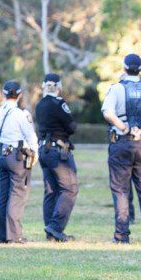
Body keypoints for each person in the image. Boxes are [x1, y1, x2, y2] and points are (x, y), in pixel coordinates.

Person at [101, 53, 141, 244]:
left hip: (121, 142)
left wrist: (124, 128)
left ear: (124, 68)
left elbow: (107, 112)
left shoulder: (116, 89)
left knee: (120, 190)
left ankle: (121, 235)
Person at [0, 80, 38, 244]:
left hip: (2, 155)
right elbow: (31, 136)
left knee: (3, 195)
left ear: (4, 95)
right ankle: (14, 235)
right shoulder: (22, 114)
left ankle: (0, 235)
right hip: (17, 156)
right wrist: (35, 154)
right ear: (19, 95)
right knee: (18, 194)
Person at [34, 73, 79, 242]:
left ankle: (50, 233)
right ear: (59, 88)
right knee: (70, 188)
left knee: (51, 191)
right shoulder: (59, 103)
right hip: (57, 151)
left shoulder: (39, 105)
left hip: (44, 151)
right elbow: (71, 126)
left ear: (43, 86)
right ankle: (56, 227)